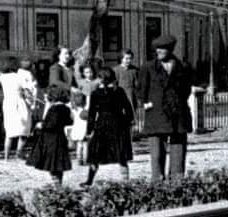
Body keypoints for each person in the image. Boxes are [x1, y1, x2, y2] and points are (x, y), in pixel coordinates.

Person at [137, 34, 194, 181]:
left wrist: (177, 102)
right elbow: (141, 89)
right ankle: (158, 180)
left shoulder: (183, 67)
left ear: (170, 49)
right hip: (156, 113)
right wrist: (146, 103)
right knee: (156, 152)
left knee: (178, 149)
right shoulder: (148, 67)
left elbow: (186, 89)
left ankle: (177, 180)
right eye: (157, 49)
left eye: (162, 49)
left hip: (178, 113)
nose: (159, 52)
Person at [81, 68, 134, 187]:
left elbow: (92, 114)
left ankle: (89, 181)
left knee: (95, 155)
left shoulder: (95, 94)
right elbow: (129, 110)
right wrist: (126, 122)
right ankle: (126, 181)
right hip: (118, 125)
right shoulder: (119, 91)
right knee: (121, 155)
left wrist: (89, 130)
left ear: (100, 79)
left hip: (102, 126)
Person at [26, 86, 73, 187]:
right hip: (60, 138)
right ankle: (58, 183)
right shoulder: (66, 108)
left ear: (53, 96)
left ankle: (56, 184)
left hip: (50, 140)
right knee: (58, 164)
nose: (45, 97)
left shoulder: (54, 108)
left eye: (47, 95)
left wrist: (41, 125)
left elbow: (52, 124)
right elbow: (69, 121)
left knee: (51, 163)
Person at [0, 57, 35, 160]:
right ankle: (19, 153)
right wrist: (31, 101)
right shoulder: (19, 77)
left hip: (8, 104)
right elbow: (27, 90)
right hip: (19, 103)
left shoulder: (2, 77)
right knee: (24, 130)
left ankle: (6, 157)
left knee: (9, 132)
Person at [114, 49, 140, 114]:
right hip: (120, 96)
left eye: (130, 58)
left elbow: (137, 84)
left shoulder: (134, 70)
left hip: (131, 96)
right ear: (121, 59)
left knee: (131, 115)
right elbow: (114, 85)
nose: (129, 60)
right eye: (126, 58)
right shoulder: (116, 70)